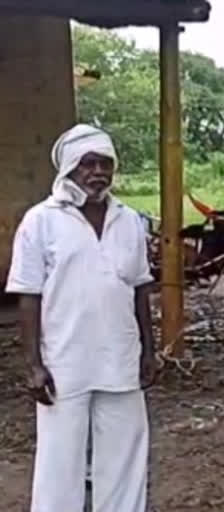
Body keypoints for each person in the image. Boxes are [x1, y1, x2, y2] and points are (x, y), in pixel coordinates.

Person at [5, 124, 156, 512]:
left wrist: (148, 350)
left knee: (124, 456)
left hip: (120, 355)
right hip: (64, 360)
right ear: (68, 169)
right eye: (87, 164)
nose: (98, 172)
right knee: (60, 460)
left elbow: (140, 288)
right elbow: (28, 294)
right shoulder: (41, 221)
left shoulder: (129, 221)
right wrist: (33, 364)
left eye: (105, 164)